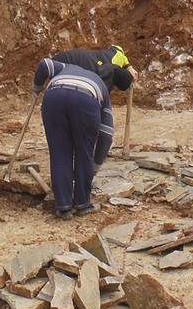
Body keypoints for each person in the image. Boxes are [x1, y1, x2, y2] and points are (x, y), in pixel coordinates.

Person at [32, 59, 128, 220]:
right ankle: (82, 204)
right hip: (85, 101)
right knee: (84, 153)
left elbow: (44, 65)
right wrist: (95, 165)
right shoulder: (101, 87)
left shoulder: (68, 67)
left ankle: (63, 207)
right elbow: (106, 134)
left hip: (53, 97)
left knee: (60, 153)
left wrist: (37, 86)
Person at [52, 44, 137, 90]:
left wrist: (130, 68)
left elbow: (118, 48)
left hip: (66, 58)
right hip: (62, 65)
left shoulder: (116, 55)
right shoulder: (104, 76)